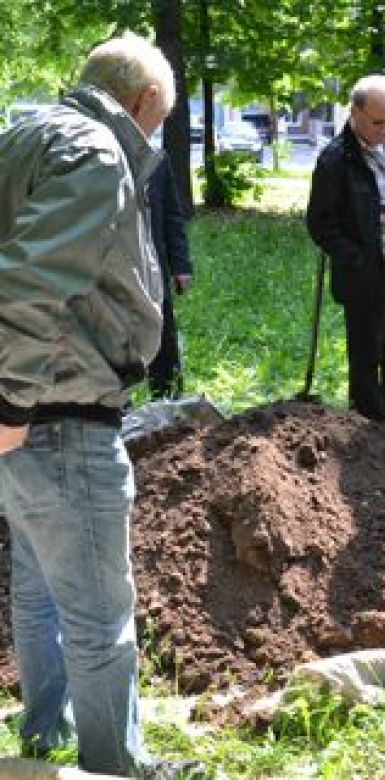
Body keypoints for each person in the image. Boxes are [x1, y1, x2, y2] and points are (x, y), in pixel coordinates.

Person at [0, 33, 200, 778]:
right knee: (97, 611)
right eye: (160, 122)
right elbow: (26, 284)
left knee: (39, 587)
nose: (154, 136)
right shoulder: (95, 152)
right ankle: (115, 765)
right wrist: (12, 403)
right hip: (55, 407)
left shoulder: (22, 134)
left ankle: (46, 732)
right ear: (146, 102)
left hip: (26, 410)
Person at [306, 74, 385, 431]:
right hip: (366, 280)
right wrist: (359, 261)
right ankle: (369, 434)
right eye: (379, 122)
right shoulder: (336, 160)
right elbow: (320, 224)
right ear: (355, 113)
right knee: (366, 360)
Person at [146, 150, 194, 400]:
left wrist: (181, 265)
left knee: (163, 338)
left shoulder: (157, 160)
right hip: (112, 268)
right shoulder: (101, 155)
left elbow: (172, 216)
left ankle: (168, 399)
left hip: (154, 266)